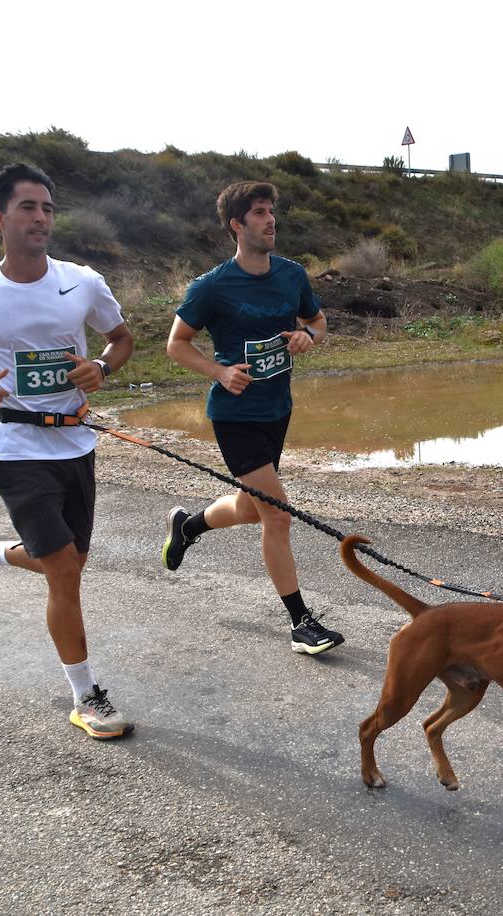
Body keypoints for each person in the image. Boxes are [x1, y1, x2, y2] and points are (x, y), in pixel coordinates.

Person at [0, 163, 136, 739]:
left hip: (76, 440)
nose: (40, 217)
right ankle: (87, 696)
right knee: (64, 571)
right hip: (16, 445)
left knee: (64, 564)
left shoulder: (82, 282)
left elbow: (121, 340)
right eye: (27, 208)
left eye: (46, 208)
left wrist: (101, 368)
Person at [161, 181, 340, 655]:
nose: (270, 220)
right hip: (235, 415)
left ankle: (188, 525)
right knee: (276, 515)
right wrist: (219, 371)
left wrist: (308, 336)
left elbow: (318, 323)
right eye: (259, 213)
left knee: (251, 505)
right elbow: (176, 344)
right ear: (237, 225)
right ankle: (301, 621)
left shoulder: (292, 275)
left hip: (277, 410)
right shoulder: (212, 286)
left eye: (272, 212)